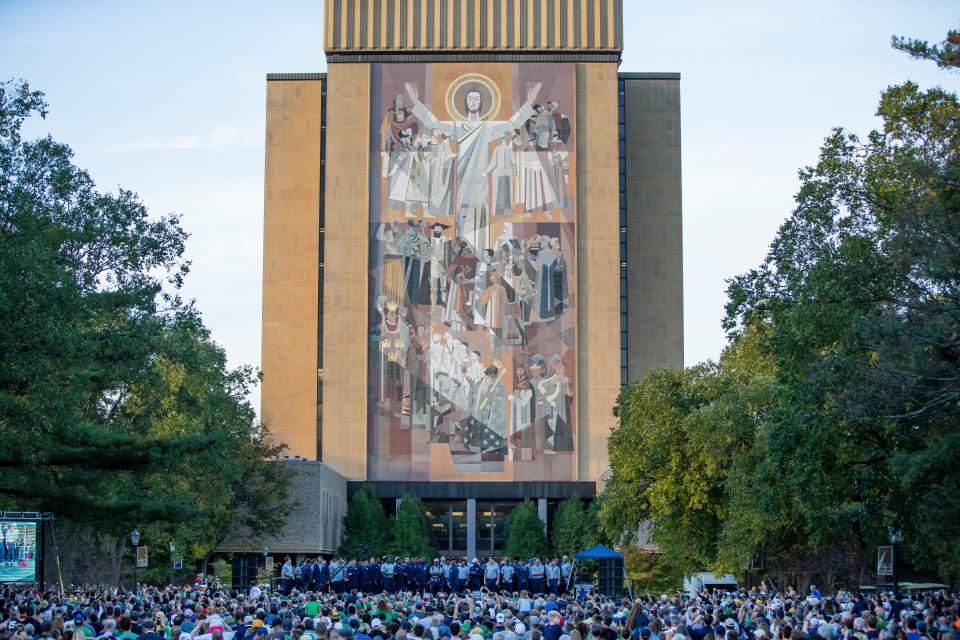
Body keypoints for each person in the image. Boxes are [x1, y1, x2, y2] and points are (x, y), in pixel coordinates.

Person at [403, 80, 541, 255]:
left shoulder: (488, 128)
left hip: (481, 185)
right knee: (461, 228)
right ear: (465, 103)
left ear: (482, 103)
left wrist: (529, 102)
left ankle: (480, 259)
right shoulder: (457, 127)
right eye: (471, 99)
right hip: (462, 184)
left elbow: (512, 124)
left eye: (477, 99)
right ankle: (461, 258)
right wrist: (416, 101)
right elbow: (434, 124)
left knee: (480, 226)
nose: (474, 102)